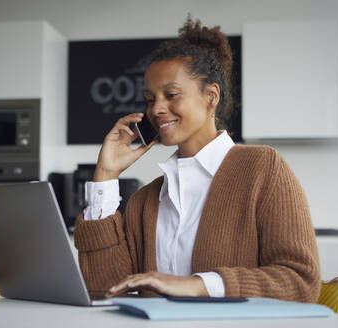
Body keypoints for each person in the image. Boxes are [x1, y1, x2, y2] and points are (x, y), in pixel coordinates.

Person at [74, 17, 321, 302]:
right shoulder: (145, 200)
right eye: (151, 98)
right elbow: (106, 292)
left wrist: (198, 285)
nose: (157, 109)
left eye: (171, 95)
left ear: (211, 96)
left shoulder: (262, 168)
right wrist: (105, 175)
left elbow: (301, 282)